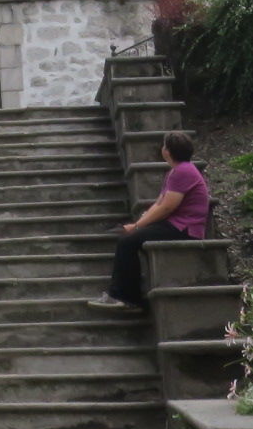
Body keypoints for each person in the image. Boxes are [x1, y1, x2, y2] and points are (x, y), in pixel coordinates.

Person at [88, 130, 209, 310]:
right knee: (129, 238)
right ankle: (127, 294)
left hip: (185, 228)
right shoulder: (175, 172)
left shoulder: (183, 171)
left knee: (127, 242)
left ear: (167, 151)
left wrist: (137, 225)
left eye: (164, 145)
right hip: (176, 224)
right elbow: (159, 203)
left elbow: (167, 207)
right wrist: (138, 224)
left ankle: (124, 296)